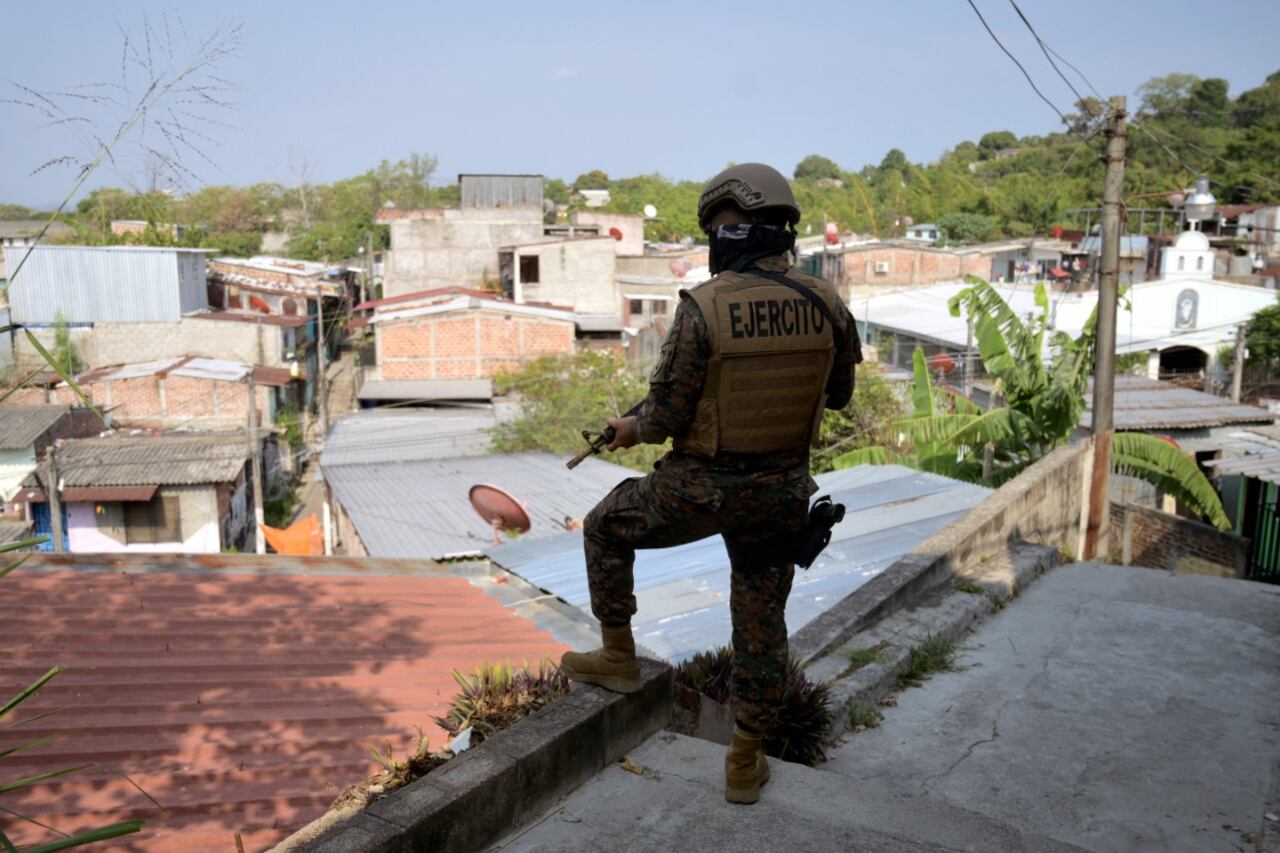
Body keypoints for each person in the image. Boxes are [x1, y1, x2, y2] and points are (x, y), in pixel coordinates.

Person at [561, 163, 861, 805]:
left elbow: (665, 418)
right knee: (760, 625)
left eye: (719, 227)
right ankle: (744, 765)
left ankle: (617, 657)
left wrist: (628, 427)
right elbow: (838, 398)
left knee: (605, 526)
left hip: (700, 489)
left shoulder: (704, 307)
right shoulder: (827, 302)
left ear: (736, 230)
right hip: (782, 493)